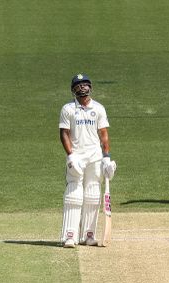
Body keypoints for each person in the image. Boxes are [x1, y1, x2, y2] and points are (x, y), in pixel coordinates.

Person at [59, 73, 116, 247]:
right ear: (73, 89)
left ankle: (88, 235)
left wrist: (106, 158)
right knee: (74, 194)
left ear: (90, 87)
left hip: (94, 157)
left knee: (92, 194)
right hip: (77, 156)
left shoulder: (98, 108)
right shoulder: (68, 109)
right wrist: (70, 156)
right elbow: (64, 133)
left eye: (85, 84)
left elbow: (104, 135)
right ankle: (69, 235)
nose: (82, 87)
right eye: (78, 85)